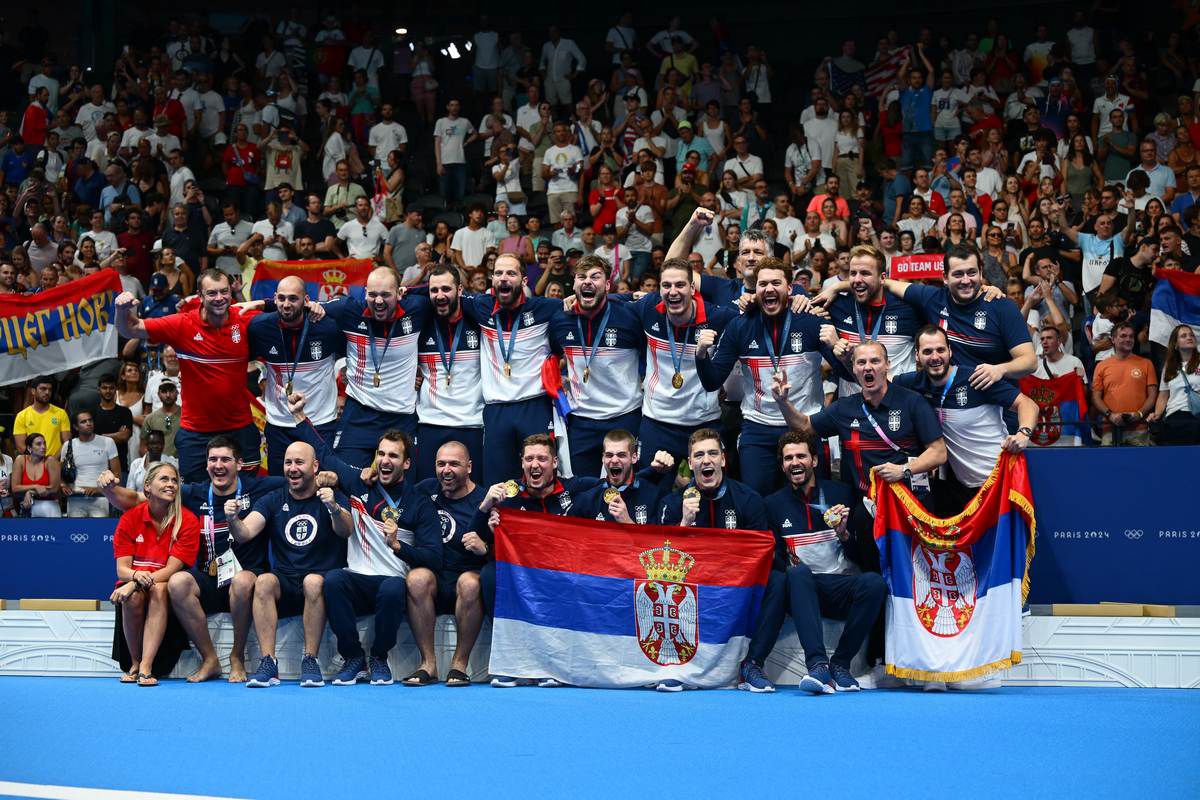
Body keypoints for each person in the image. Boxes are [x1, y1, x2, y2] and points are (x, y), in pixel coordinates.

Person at [99, 435, 288, 683]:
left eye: (225, 459)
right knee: (177, 582)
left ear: (239, 464)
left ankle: (237, 656)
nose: (218, 465)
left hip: (246, 576)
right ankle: (210, 659)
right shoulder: (193, 493)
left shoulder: (260, 487)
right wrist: (110, 489)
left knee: (242, 580)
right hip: (208, 578)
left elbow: (299, 480)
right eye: (213, 459)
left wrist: (328, 478)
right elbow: (136, 499)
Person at [287, 394, 442, 688]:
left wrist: (400, 547)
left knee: (394, 586)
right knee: (332, 580)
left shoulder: (419, 503)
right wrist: (298, 417)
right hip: (356, 580)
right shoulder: (359, 481)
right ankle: (354, 657)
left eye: (393, 456)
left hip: (392, 584)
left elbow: (435, 558)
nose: (384, 460)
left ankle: (379, 657)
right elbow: (325, 453)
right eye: (381, 454)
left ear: (407, 464)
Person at [750, 431, 884, 694]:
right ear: (782, 466)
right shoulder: (772, 504)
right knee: (797, 573)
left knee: (874, 583)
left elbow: (862, 555)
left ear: (814, 460)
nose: (795, 462)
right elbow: (774, 559)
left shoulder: (841, 492)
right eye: (788, 458)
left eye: (801, 456)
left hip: (838, 586)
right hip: (800, 590)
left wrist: (844, 534)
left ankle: (840, 665)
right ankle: (818, 665)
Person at [694, 257, 842, 496]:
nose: (769, 289)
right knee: (757, 501)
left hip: (805, 427)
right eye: (763, 284)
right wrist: (701, 355)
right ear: (756, 289)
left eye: (776, 282)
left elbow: (846, 374)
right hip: (758, 429)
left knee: (811, 501)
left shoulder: (811, 322)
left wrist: (837, 349)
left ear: (790, 288)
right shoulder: (739, 326)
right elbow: (712, 382)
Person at [471, 433, 602, 687]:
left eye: (542, 458)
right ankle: (511, 661)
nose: (535, 465)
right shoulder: (507, 494)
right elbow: (469, 536)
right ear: (521, 462)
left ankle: (554, 663)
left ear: (554, 462)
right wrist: (485, 508)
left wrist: (655, 472)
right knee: (488, 576)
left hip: (559, 576)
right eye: (529, 458)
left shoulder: (575, 489)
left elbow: (611, 485)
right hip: (520, 579)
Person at [818, 244, 1035, 391]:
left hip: (996, 405)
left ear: (981, 273)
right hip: (949, 405)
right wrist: (836, 286)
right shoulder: (933, 298)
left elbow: (1029, 361)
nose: (966, 280)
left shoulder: (1002, 307)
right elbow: (883, 282)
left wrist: (999, 369)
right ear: (945, 278)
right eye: (958, 274)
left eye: (971, 273)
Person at [115, 270, 263, 480]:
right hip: (196, 433)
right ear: (200, 296)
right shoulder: (182, 324)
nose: (219, 298)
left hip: (239, 428)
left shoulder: (246, 321)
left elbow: (288, 317)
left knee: (247, 495)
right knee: (194, 497)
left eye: (224, 292)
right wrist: (121, 311)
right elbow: (131, 328)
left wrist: (313, 307)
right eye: (212, 293)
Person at [230, 441, 352, 688]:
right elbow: (244, 533)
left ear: (315, 466)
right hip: (285, 580)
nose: (292, 468)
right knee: (263, 581)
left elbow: (346, 530)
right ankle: (268, 662)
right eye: (288, 463)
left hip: (321, 582)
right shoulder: (273, 499)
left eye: (299, 462)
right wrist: (233, 519)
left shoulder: (331, 495)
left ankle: (310, 660)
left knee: (313, 581)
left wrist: (334, 509)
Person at [774, 341, 947, 508]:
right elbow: (804, 426)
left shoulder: (912, 402)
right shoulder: (844, 408)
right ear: (854, 369)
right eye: (861, 362)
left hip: (911, 502)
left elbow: (938, 453)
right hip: (867, 505)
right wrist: (782, 402)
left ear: (888, 364)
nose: (868, 367)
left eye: (875, 361)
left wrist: (903, 470)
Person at [896, 326, 1040, 515]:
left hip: (999, 479)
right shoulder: (914, 383)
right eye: (927, 351)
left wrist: (1023, 433)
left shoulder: (977, 377)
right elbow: (880, 381)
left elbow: (1028, 404)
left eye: (940, 350)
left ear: (950, 351)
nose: (935, 357)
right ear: (917, 355)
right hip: (959, 486)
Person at [457, 254, 565, 485]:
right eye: (498, 273)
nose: (503, 278)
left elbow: (588, 301)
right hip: (497, 410)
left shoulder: (545, 308)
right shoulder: (481, 306)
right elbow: (440, 293)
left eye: (510, 273)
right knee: (499, 484)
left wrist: (630, 297)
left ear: (524, 280)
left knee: (542, 479)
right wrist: (404, 290)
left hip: (535, 406)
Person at [623, 256, 737, 467]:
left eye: (680, 285)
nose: (672, 291)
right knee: (649, 493)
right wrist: (576, 301)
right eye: (666, 285)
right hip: (657, 423)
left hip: (704, 424)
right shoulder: (648, 308)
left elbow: (754, 318)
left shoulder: (718, 318)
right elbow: (614, 306)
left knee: (713, 493)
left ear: (693, 288)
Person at [322, 266, 430, 469]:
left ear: (399, 294)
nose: (378, 301)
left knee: (402, 491)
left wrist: (409, 289)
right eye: (372, 294)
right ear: (365, 293)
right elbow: (299, 306)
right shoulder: (348, 310)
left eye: (385, 294)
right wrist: (263, 304)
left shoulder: (416, 309)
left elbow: (442, 289)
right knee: (346, 481)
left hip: (402, 417)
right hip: (359, 415)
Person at [549, 256, 645, 477]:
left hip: (624, 415)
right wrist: (559, 378)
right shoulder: (561, 319)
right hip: (581, 419)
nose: (588, 282)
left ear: (608, 285)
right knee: (584, 489)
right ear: (573, 285)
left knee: (625, 489)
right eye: (581, 277)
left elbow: (649, 356)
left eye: (595, 276)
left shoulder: (630, 316)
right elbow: (552, 354)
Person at [109, 462, 200, 685]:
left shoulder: (187, 520)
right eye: (164, 479)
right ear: (147, 487)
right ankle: (134, 662)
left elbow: (170, 570)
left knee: (158, 588)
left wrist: (134, 581)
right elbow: (122, 569)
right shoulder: (130, 518)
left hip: (162, 585)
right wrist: (133, 580)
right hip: (135, 583)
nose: (171, 484)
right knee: (132, 597)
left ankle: (147, 667)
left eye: (174, 480)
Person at [407, 441, 488, 686]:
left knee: (470, 583)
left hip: (466, 580)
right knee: (416, 578)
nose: (446, 470)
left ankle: (459, 665)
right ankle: (428, 664)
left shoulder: (484, 501)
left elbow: (503, 550)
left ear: (469, 467)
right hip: (434, 577)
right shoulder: (425, 490)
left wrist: (485, 547)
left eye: (454, 464)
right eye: (441, 464)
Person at [247, 276, 344, 474]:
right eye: (281, 298)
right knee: (280, 485)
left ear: (306, 300)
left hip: (320, 422)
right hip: (279, 424)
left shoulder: (328, 327)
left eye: (293, 298)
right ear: (274, 299)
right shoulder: (260, 327)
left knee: (322, 485)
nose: (286, 304)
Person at [823, 244, 923, 397]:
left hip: (897, 406)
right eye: (853, 273)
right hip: (854, 411)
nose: (857, 279)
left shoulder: (908, 309)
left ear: (883, 277)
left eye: (865, 273)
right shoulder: (836, 306)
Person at [414, 266, 484, 483]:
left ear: (460, 290)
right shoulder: (422, 322)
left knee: (472, 492)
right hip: (429, 423)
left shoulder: (478, 320)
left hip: (470, 423)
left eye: (446, 289)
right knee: (427, 493)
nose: (440, 296)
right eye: (434, 290)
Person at [1091, 322, 1157, 447]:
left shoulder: (1146, 363)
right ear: (1113, 339)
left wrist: (1139, 414)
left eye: (1131, 336)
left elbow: (1153, 395)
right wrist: (1110, 415)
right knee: (1108, 465)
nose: (1128, 339)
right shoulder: (1101, 366)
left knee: (1142, 466)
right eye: (1123, 336)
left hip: (1139, 429)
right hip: (1110, 429)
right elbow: (1095, 397)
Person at [62, 409, 120, 518]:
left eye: (90, 420)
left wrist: (99, 489)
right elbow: (61, 474)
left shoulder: (107, 442)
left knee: (99, 531)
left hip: (100, 497)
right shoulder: (68, 446)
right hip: (76, 497)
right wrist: (63, 485)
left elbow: (117, 475)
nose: (88, 423)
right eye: (83, 422)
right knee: (74, 531)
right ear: (75, 427)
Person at [1149, 324, 1200, 445]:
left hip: (1197, 417)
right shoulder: (1169, 366)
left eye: (1191, 335)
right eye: (1184, 336)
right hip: (1174, 417)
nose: (1189, 337)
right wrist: (1157, 414)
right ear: (1176, 344)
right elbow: (1163, 395)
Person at [14, 377, 71, 457]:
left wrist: (53, 460)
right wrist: (38, 460)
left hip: (54, 462)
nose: (47, 392)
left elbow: (67, 442)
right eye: (43, 389)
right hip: (32, 463)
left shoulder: (61, 413)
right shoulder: (22, 416)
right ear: (33, 391)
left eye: (50, 389)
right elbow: (21, 446)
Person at [11, 433, 62, 518]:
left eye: (44, 443)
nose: (43, 447)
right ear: (29, 448)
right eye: (39, 444)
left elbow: (54, 488)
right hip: (28, 507)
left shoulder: (50, 460)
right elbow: (15, 488)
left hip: (49, 507)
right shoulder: (21, 460)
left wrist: (31, 492)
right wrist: (35, 486)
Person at [92, 374, 133, 476]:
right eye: (104, 388)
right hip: (96, 468)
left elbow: (124, 436)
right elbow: (90, 439)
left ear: (116, 390)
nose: (108, 391)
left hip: (121, 468)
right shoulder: (92, 413)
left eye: (111, 388)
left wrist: (99, 437)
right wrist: (116, 434)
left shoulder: (125, 412)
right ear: (99, 390)